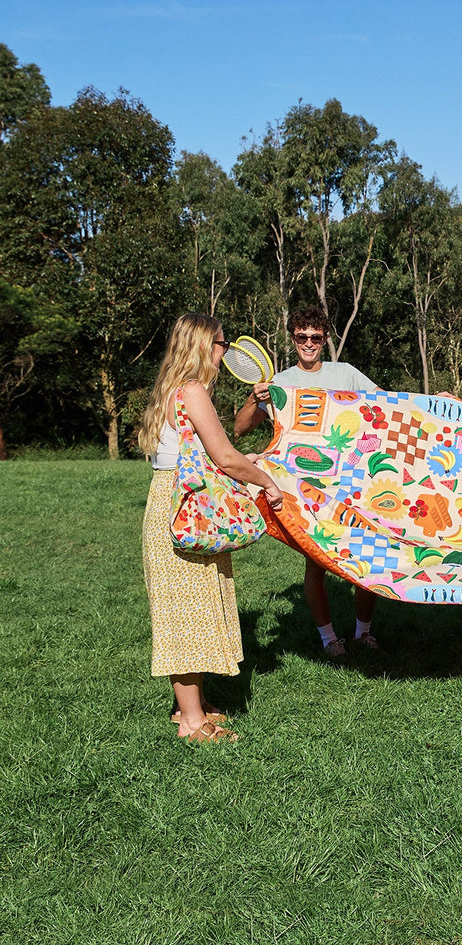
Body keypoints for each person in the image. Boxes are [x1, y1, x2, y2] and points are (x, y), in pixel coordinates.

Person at [139, 313, 284, 742]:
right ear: (205, 345)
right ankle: (191, 723)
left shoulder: (170, 388)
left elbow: (196, 454)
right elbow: (224, 456)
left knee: (190, 608)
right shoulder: (194, 390)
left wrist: (244, 461)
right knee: (186, 614)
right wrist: (266, 481)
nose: (226, 352)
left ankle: (192, 705)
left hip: (169, 501)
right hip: (185, 506)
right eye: (222, 343)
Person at [234, 306, 381, 659]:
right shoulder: (280, 383)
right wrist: (255, 399)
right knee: (316, 564)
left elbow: (387, 406)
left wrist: (433, 403)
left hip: (352, 481)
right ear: (293, 338)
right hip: (305, 489)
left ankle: (363, 633)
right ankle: (329, 640)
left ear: (325, 338)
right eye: (302, 336)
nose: (309, 343)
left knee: (369, 558)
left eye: (316, 336)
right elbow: (239, 429)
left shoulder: (346, 374)